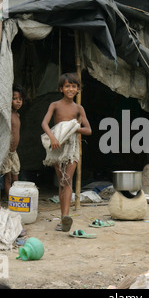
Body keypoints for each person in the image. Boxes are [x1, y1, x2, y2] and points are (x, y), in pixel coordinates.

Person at [41, 73, 91, 232]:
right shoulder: (54, 105)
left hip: (71, 147)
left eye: (74, 86)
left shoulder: (79, 108)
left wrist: (74, 129)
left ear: (78, 89)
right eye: (67, 86)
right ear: (61, 89)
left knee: (68, 180)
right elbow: (44, 123)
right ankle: (63, 218)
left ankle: (65, 218)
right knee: (62, 181)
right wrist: (52, 138)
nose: (71, 89)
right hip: (57, 146)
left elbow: (88, 130)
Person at [1, 85, 23, 201]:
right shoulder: (8, 115)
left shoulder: (17, 115)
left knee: (15, 176)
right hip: (6, 151)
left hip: (14, 152)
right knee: (7, 178)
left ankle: (14, 197)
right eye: (15, 98)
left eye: (20, 99)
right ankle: (11, 201)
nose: (18, 101)